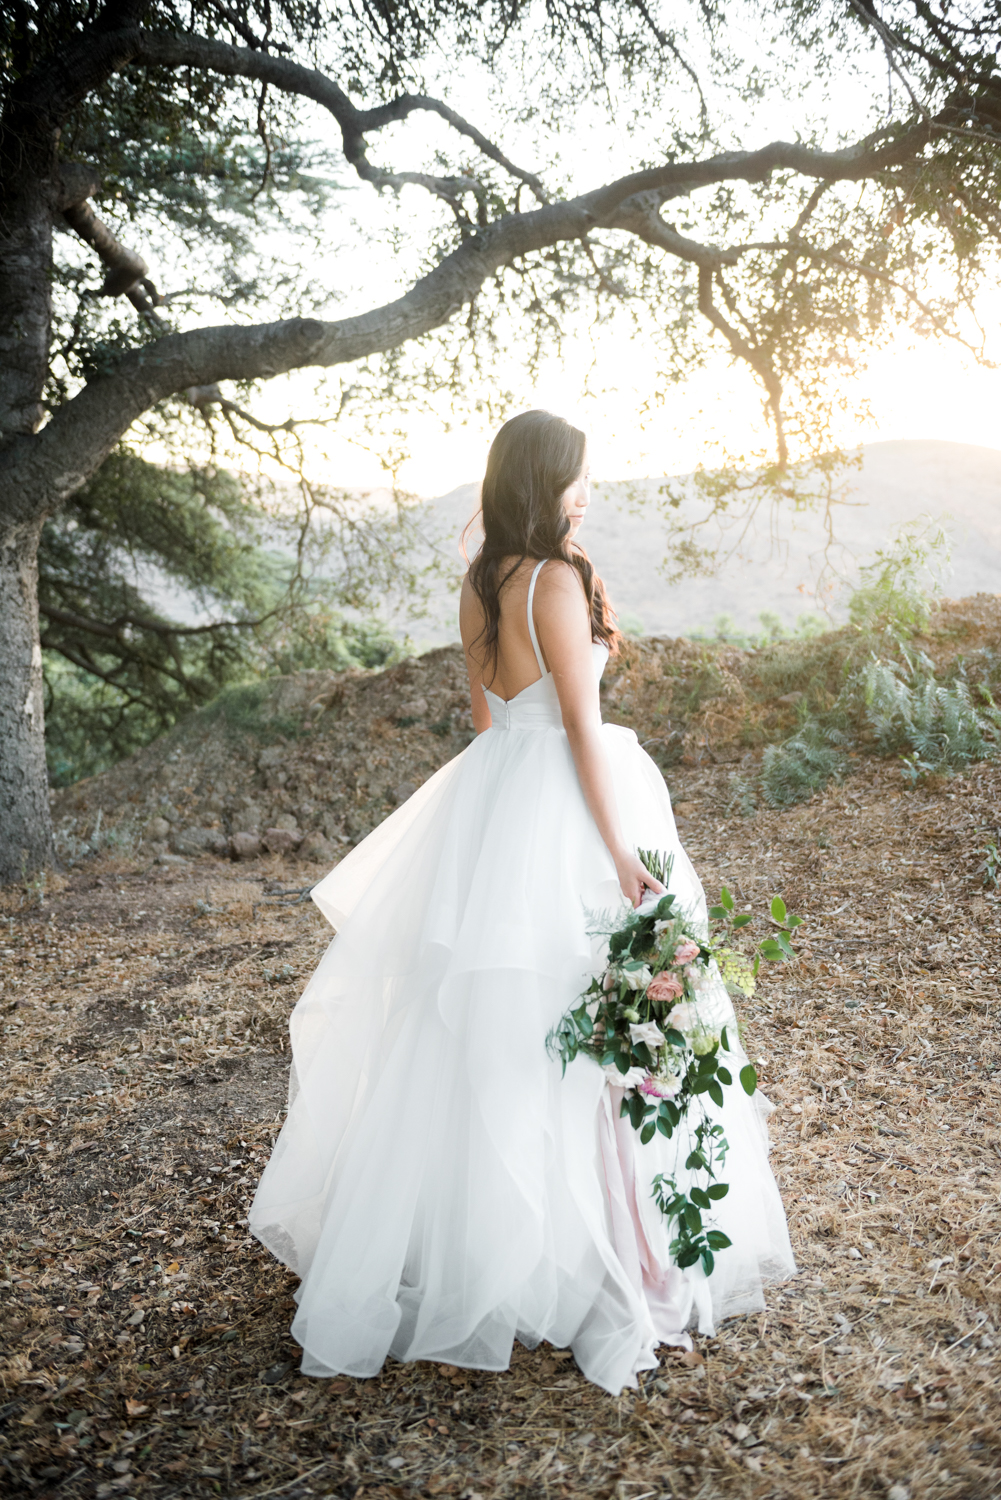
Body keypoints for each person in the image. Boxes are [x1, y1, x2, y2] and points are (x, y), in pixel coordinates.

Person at [248, 410, 795, 1394]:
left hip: (495, 796)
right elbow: (581, 729)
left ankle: (478, 1251)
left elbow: (486, 716)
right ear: (547, 482)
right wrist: (622, 852)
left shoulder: (481, 581)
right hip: (570, 799)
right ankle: (606, 1263)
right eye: (578, 479)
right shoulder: (556, 578)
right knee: (593, 1025)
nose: (588, 494)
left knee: (486, 1034)